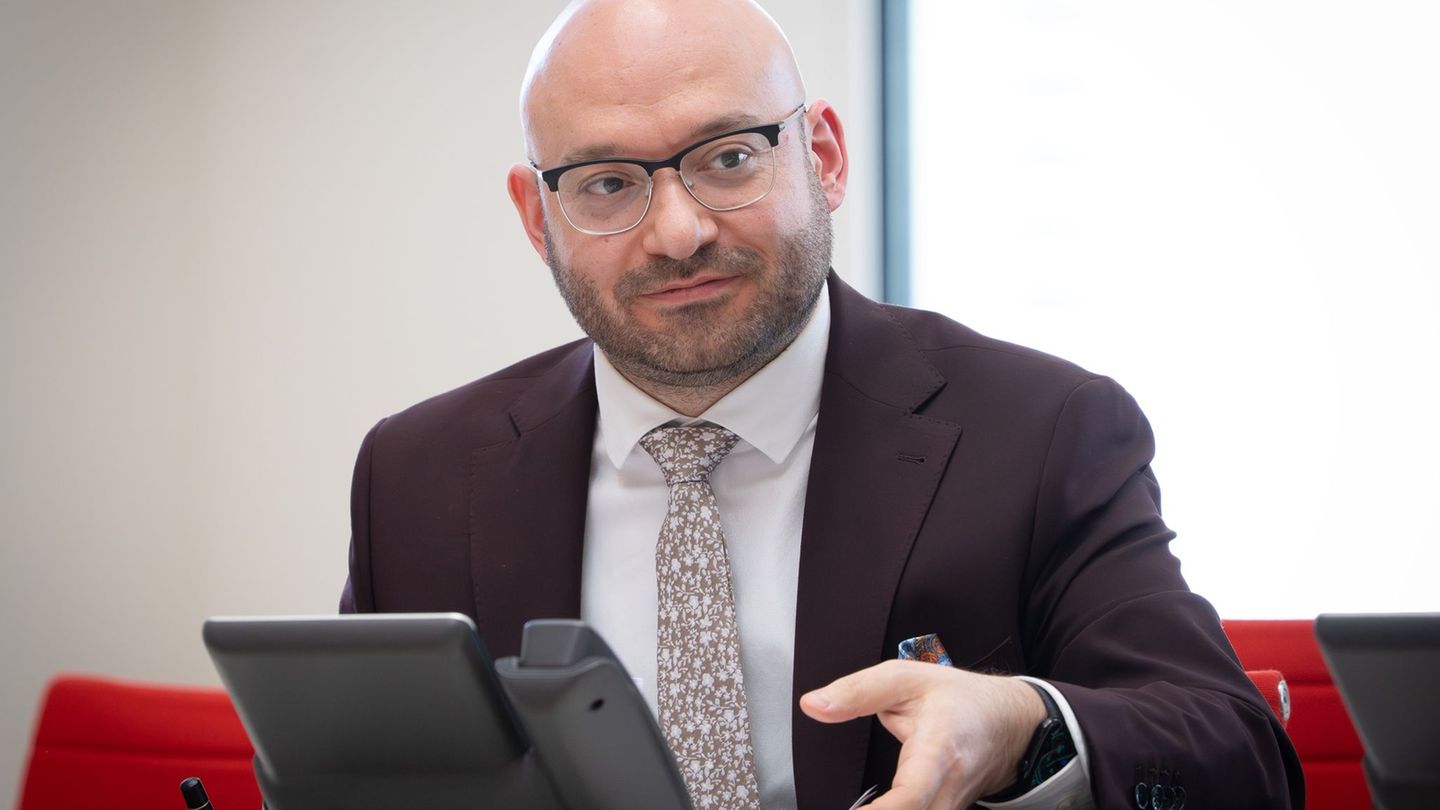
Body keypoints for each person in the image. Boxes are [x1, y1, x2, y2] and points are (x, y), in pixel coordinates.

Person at [340, 1, 1304, 807]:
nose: (677, 233)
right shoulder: (417, 475)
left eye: (726, 158)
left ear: (825, 156)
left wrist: (1025, 726)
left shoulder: (1042, 430)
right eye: (605, 183)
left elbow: (1235, 751)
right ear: (535, 215)